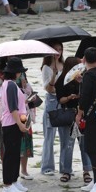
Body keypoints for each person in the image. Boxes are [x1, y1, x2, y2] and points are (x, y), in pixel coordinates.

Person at [54, 57, 92, 184]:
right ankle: (66, 171)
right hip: (68, 113)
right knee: (67, 144)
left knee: (84, 144)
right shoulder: (61, 81)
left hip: (81, 114)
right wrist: (70, 97)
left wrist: (81, 85)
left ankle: (87, 170)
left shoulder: (82, 79)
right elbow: (60, 100)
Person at [76, 47, 96, 192]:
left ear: (84, 59)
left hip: (91, 117)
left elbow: (85, 97)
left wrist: (79, 113)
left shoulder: (89, 75)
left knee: (91, 149)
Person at [0, 57, 30, 192]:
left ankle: (14, 179)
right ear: (16, 72)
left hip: (14, 122)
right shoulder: (11, 85)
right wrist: (20, 124)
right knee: (10, 155)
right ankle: (7, 184)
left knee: (15, 153)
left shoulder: (9, 84)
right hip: (12, 123)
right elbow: (12, 107)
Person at [40, 41, 64, 176]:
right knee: (49, 135)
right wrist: (54, 75)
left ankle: (65, 166)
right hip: (51, 100)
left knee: (64, 136)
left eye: (60, 49)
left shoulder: (65, 65)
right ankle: (47, 166)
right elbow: (49, 88)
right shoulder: (46, 68)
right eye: (55, 49)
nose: (58, 52)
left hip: (64, 100)